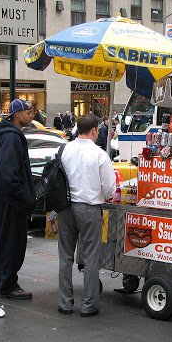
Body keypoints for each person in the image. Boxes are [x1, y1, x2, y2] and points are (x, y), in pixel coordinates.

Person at [57, 114, 116, 317]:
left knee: (65, 256)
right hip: (89, 208)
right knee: (91, 257)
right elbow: (109, 189)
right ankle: (89, 305)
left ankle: (65, 302)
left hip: (65, 207)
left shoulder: (65, 149)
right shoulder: (99, 154)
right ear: (94, 130)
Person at [0, 99, 36, 299]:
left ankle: (0, 283)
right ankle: (8, 285)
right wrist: (21, 196)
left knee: (3, 242)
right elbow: (6, 171)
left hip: (3, 199)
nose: (32, 115)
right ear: (17, 115)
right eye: (28, 112)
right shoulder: (12, 137)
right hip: (10, 201)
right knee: (11, 244)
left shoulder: (7, 134)